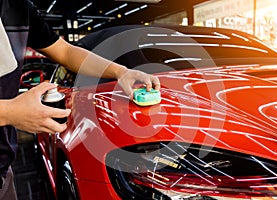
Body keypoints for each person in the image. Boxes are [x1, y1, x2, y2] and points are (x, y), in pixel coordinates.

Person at [0, 0, 160, 199]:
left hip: (4, 167)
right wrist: (8, 112)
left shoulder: (20, 8)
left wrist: (122, 72)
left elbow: (65, 51)